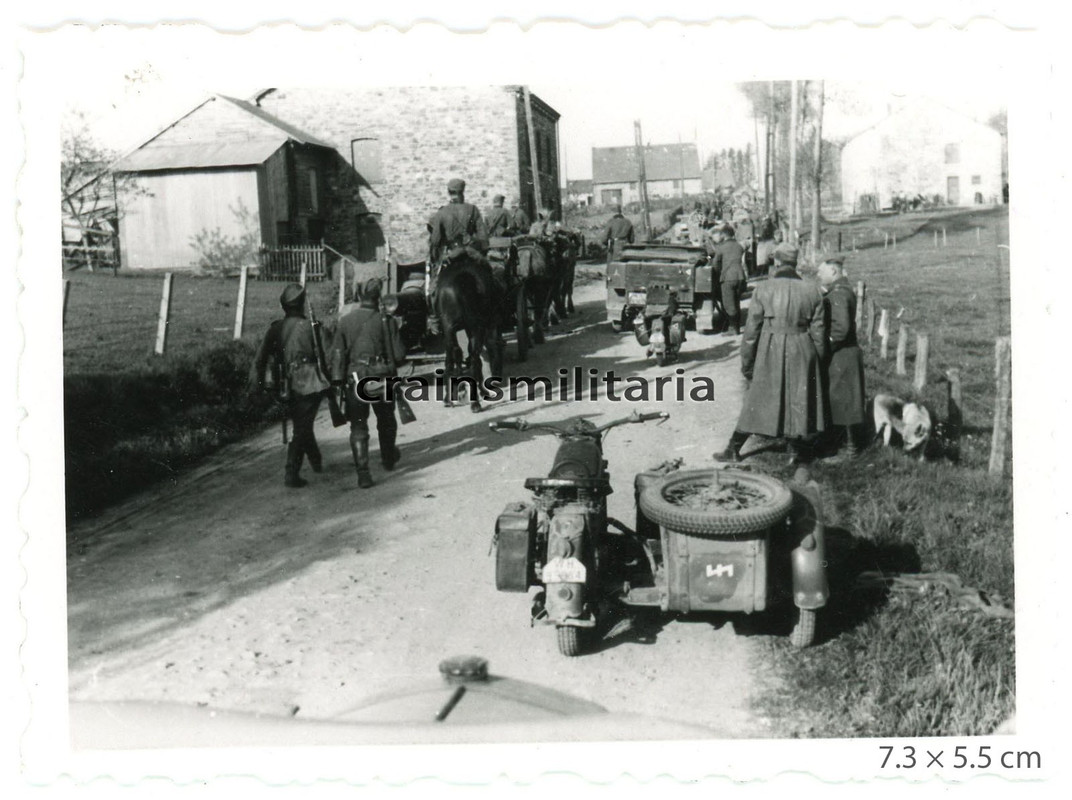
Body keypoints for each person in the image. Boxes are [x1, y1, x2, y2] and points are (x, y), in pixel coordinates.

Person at [716, 243, 829, 465]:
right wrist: (818, 360)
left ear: (776, 262)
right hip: (802, 347)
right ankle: (799, 452)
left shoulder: (764, 289)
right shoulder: (812, 290)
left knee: (757, 399)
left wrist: (747, 362)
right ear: (795, 263)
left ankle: (734, 448)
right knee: (799, 398)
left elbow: (751, 332)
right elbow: (819, 333)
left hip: (770, 349)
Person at [251, 283, 329, 488]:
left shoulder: (275, 329)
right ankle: (291, 473)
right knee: (302, 427)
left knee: (302, 424)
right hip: (310, 381)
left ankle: (316, 460)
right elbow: (327, 355)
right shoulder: (312, 327)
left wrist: (258, 388)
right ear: (301, 304)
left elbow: (259, 360)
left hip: (284, 384)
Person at [330, 278, 406, 489]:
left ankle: (363, 474)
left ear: (358, 295)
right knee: (386, 419)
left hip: (356, 379)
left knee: (358, 425)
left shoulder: (345, 321)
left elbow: (337, 356)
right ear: (378, 297)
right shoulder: (387, 320)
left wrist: (337, 382)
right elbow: (400, 355)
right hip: (382, 377)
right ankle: (388, 459)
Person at [817, 257, 866, 457]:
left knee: (844, 400)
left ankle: (850, 448)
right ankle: (845, 443)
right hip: (846, 353)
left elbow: (840, 329)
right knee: (844, 399)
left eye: (822, 271)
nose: (819, 275)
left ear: (834, 272)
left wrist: (824, 348)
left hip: (841, 354)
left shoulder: (837, 295)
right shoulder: (842, 291)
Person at [427, 178, 489, 334]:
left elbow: (435, 242)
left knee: (431, 289)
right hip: (470, 254)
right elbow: (483, 238)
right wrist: (477, 248)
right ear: (463, 191)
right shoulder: (473, 210)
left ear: (449, 192)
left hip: (451, 256)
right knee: (490, 276)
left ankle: (434, 318)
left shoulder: (441, 213)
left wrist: (436, 257)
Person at [709, 223, 747, 335]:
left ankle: (733, 329)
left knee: (728, 304)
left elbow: (715, 264)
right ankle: (737, 327)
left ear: (724, 235)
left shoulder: (721, 248)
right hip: (740, 277)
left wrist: (717, 273)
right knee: (736, 302)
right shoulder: (739, 246)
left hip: (728, 278)